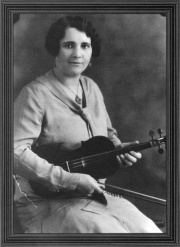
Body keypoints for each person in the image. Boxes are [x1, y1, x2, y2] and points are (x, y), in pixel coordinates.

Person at [14, 16, 162, 233]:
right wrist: (69, 179)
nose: (77, 54)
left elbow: (108, 134)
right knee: (113, 235)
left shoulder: (91, 87)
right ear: (56, 49)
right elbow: (14, 152)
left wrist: (117, 149)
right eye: (68, 45)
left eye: (85, 46)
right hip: (48, 203)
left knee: (148, 230)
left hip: (95, 194)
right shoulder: (34, 94)